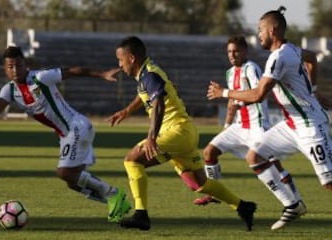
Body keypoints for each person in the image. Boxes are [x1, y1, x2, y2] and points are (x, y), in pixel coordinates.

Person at [107, 36, 257, 231]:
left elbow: (158, 102)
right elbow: (146, 94)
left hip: (176, 131)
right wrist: (127, 111)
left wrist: (152, 137)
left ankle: (140, 214)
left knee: (132, 160)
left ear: (132, 58)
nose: (119, 64)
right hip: (185, 133)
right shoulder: (147, 74)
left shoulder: (149, 75)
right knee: (198, 184)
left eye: (121, 59)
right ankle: (243, 206)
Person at [207, 6, 332, 230]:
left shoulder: (278, 58)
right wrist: (312, 89)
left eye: (261, 30)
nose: (259, 35)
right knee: (255, 156)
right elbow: (312, 58)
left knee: (329, 182)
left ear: (273, 30)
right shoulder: (292, 49)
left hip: (311, 125)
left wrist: (223, 93)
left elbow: (257, 94)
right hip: (292, 124)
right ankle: (292, 204)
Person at [0, 46, 130, 223]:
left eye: (18, 65)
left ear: (25, 65)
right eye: (10, 67)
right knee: (72, 182)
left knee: (64, 173)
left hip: (76, 127)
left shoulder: (40, 77)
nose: (15, 70)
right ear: (5, 69)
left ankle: (114, 195)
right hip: (66, 135)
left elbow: (73, 71)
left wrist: (102, 74)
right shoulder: (9, 90)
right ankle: (116, 200)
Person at [194, 36, 302, 207]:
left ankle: (295, 199)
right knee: (209, 153)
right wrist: (227, 126)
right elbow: (231, 99)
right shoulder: (230, 73)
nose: (232, 54)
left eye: (236, 51)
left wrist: (240, 101)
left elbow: (260, 94)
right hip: (239, 126)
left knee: (275, 165)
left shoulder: (251, 68)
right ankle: (214, 193)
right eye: (229, 51)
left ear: (244, 51)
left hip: (257, 126)